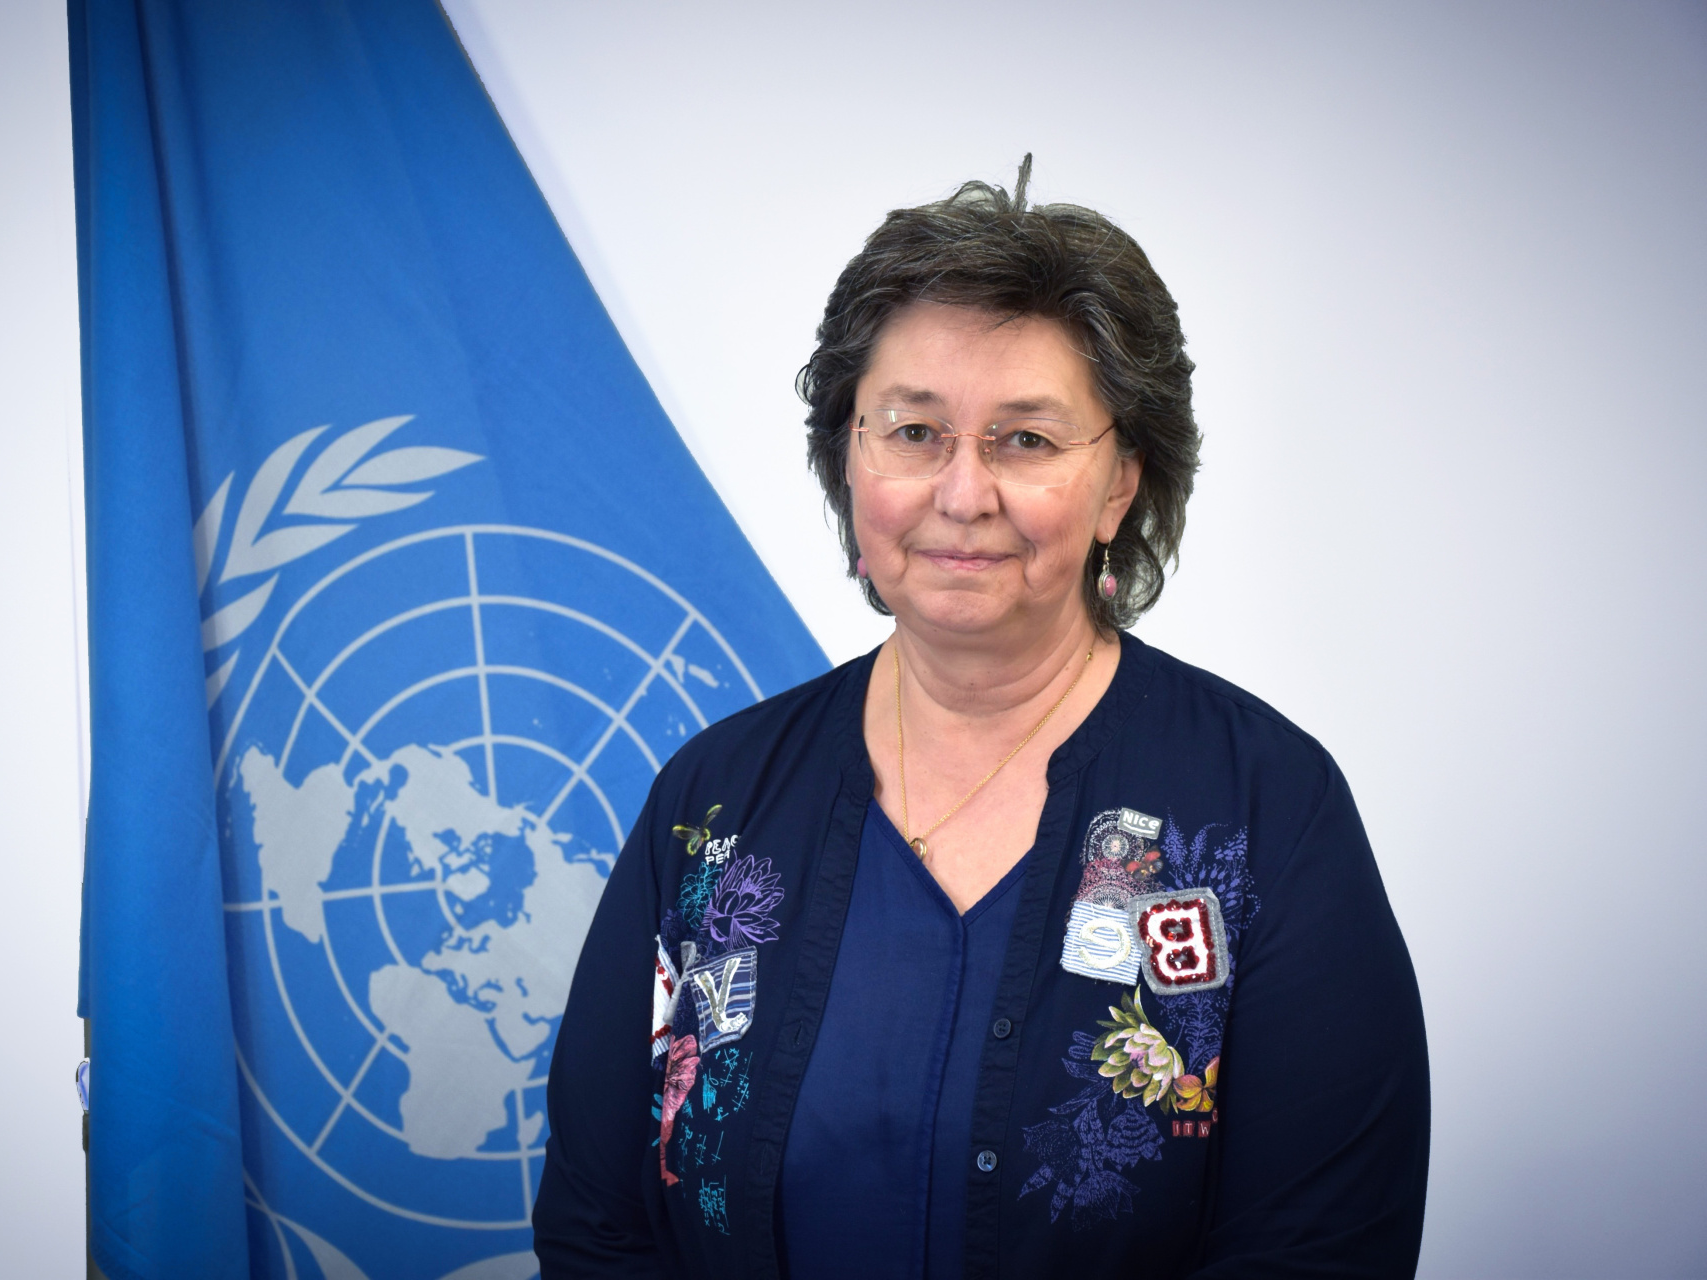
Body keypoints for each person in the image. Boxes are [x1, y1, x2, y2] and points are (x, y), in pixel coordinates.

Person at [532, 158, 1428, 1279]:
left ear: (1120, 487)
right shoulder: (711, 805)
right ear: (848, 463)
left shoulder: (1269, 809)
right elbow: (599, 1225)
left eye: (1027, 439)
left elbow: (1321, 1250)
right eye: (912, 432)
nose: (962, 493)